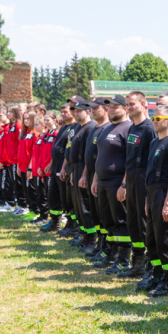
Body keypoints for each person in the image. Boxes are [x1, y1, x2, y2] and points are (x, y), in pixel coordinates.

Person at [91, 95, 132, 272]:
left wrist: (124, 184)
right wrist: (95, 178)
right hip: (102, 181)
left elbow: (130, 161)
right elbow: (99, 155)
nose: (112, 109)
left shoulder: (128, 128)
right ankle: (111, 254)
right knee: (106, 219)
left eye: (116, 107)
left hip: (117, 182)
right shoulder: (107, 128)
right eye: (111, 107)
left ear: (125, 109)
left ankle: (124, 259)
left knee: (120, 220)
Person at [144, 105, 168, 296]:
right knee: (152, 238)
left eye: (158, 119)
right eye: (153, 118)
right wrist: (147, 201)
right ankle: (157, 275)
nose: (154, 122)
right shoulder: (153, 143)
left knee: (165, 237)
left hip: (163, 192)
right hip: (151, 193)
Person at [119, 91, 155, 277]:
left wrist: (149, 190)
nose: (129, 107)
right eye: (127, 104)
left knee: (143, 221)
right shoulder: (132, 128)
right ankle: (137, 261)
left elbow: (153, 161)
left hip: (143, 178)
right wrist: (124, 184)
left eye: (132, 104)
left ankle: (148, 264)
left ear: (143, 104)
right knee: (132, 220)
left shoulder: (149, 128)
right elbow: (129, 159)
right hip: (131, 177)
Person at [42, 102, 78, 233]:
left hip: (65, 168)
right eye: (62, 112)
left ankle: (71, 224)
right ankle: (54, 222)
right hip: (55, 166)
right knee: (53, 195)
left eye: (66, 111)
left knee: (66, 198)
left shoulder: (75, 127)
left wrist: (64, 168)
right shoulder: (63, 128)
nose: (64, 114)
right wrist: (51, 164)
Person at [81, 97, 111, 256]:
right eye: (91, 108)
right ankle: (99, 244)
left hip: (101, 175)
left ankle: (106, 247)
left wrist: (95, 177)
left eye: (96, 108)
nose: (93, 111)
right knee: (95, 212)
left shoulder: (107, 128)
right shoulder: (95, 129)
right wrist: (85, 175)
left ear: (106, 109)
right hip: (92, 174)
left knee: (103, 213)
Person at [67, 97, 96, 246]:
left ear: (87, 112)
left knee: (85, 204)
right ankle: (84, 233)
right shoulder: (78, 127)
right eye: (74, 111)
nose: (75, 114)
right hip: (76, 168)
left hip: (85, 168)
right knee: (78, 205)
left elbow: (87, 153)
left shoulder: (90, 127)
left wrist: (84, 174)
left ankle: (91, 239)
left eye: (79, 111)